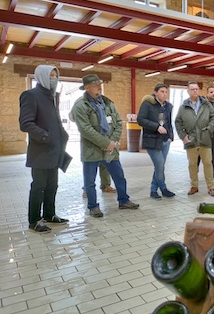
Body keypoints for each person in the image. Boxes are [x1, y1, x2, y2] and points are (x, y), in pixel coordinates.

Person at [70, 74, 139, 217]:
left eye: (99, 84)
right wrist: (105, 143)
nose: (99, 87)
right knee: (90, 182)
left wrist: (112, 142)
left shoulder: (108, 103)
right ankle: (93, 207)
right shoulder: (80, 105)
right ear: (86, 87)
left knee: (119, 177)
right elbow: (85, 129)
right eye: (95, 85)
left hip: (110, 150)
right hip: (91, 150)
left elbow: (119, 123)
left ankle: (124, 201)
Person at [19, 65, 70, 233]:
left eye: (56, 76)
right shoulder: (31, 95)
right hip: (41, 151)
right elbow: (26, 123)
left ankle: (49, 214)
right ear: (41, 76)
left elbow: (54, 121)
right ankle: (34, 220)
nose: (54, 79)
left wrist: (63, 135)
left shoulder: (52, 97)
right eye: (50, 76)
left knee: (52, 186)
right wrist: (45, 136)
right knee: (39, 186)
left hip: (55, 151)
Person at [175, 81, 214, 197]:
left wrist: (209, 130)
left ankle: (211, 187)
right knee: (192, 164)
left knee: (208, 164)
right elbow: (178, 122)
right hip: (191, 140)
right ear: (188, 91)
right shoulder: (183, 107)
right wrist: (183, 136)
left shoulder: (206, 104)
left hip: (205, 139)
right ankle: (194, 186)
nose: (195, 91)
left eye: (196, 89)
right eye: (192, 89)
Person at [137, 83, 175, 199]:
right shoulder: (148, 104)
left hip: (165, 140)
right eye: (162, 91)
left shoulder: (168, 106)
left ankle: (153, 190)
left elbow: (168, 122)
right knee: (159, 165)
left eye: (166, 92)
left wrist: (170, 136)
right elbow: (141, 120)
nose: (164, 94)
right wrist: (156, 127)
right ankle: (163, 188)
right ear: (155, 92)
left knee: (161, 166)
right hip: (152, 140)